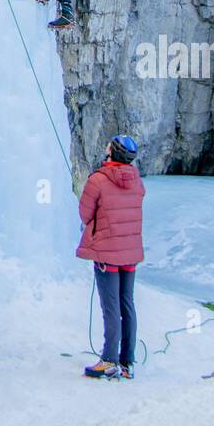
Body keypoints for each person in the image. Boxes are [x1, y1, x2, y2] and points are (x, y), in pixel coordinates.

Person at [76, 135, 145, 380]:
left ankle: (109, 360)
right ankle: (128, 362)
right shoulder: (137, 181)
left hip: (107, 252)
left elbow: (85, 214)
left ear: (111, 153)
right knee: (127, 304)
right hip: (130, 253)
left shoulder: (98, 180)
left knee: (111, 307)